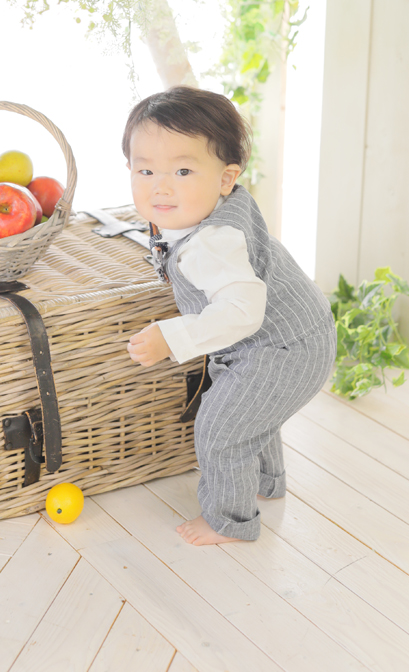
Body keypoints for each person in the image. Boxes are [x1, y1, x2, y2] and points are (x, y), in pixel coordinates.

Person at [122, 85, 336, 546]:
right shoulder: (215, 211)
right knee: (255, 413)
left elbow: (241, 312)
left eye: (182, 170)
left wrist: (170, 337)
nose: (160, 186)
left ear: (225, 178)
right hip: (301, 332)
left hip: (282, 348)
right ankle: (266, 483)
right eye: (145, 170)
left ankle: (230, 520)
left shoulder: (212, 243)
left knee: (220, 430)